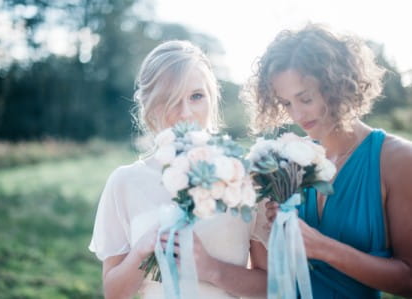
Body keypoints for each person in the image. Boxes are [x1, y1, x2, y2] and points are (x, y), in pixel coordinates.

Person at [244, 24, 412, 298]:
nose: (297, 114)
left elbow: (408, 279)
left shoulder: (397, 159)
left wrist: (322, 247)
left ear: (337, 85)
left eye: (305, 98)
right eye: (286, 103)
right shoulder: (288, 163)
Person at [89, 40, 267, 299]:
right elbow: (114, 293)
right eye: (170, 99)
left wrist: (211, 270)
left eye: (196, 96)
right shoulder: (125, 182)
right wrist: (140, 251)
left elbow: (271, 288)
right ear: (149, 106)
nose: (185, 113)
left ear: (212, 97)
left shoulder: (244, 178)